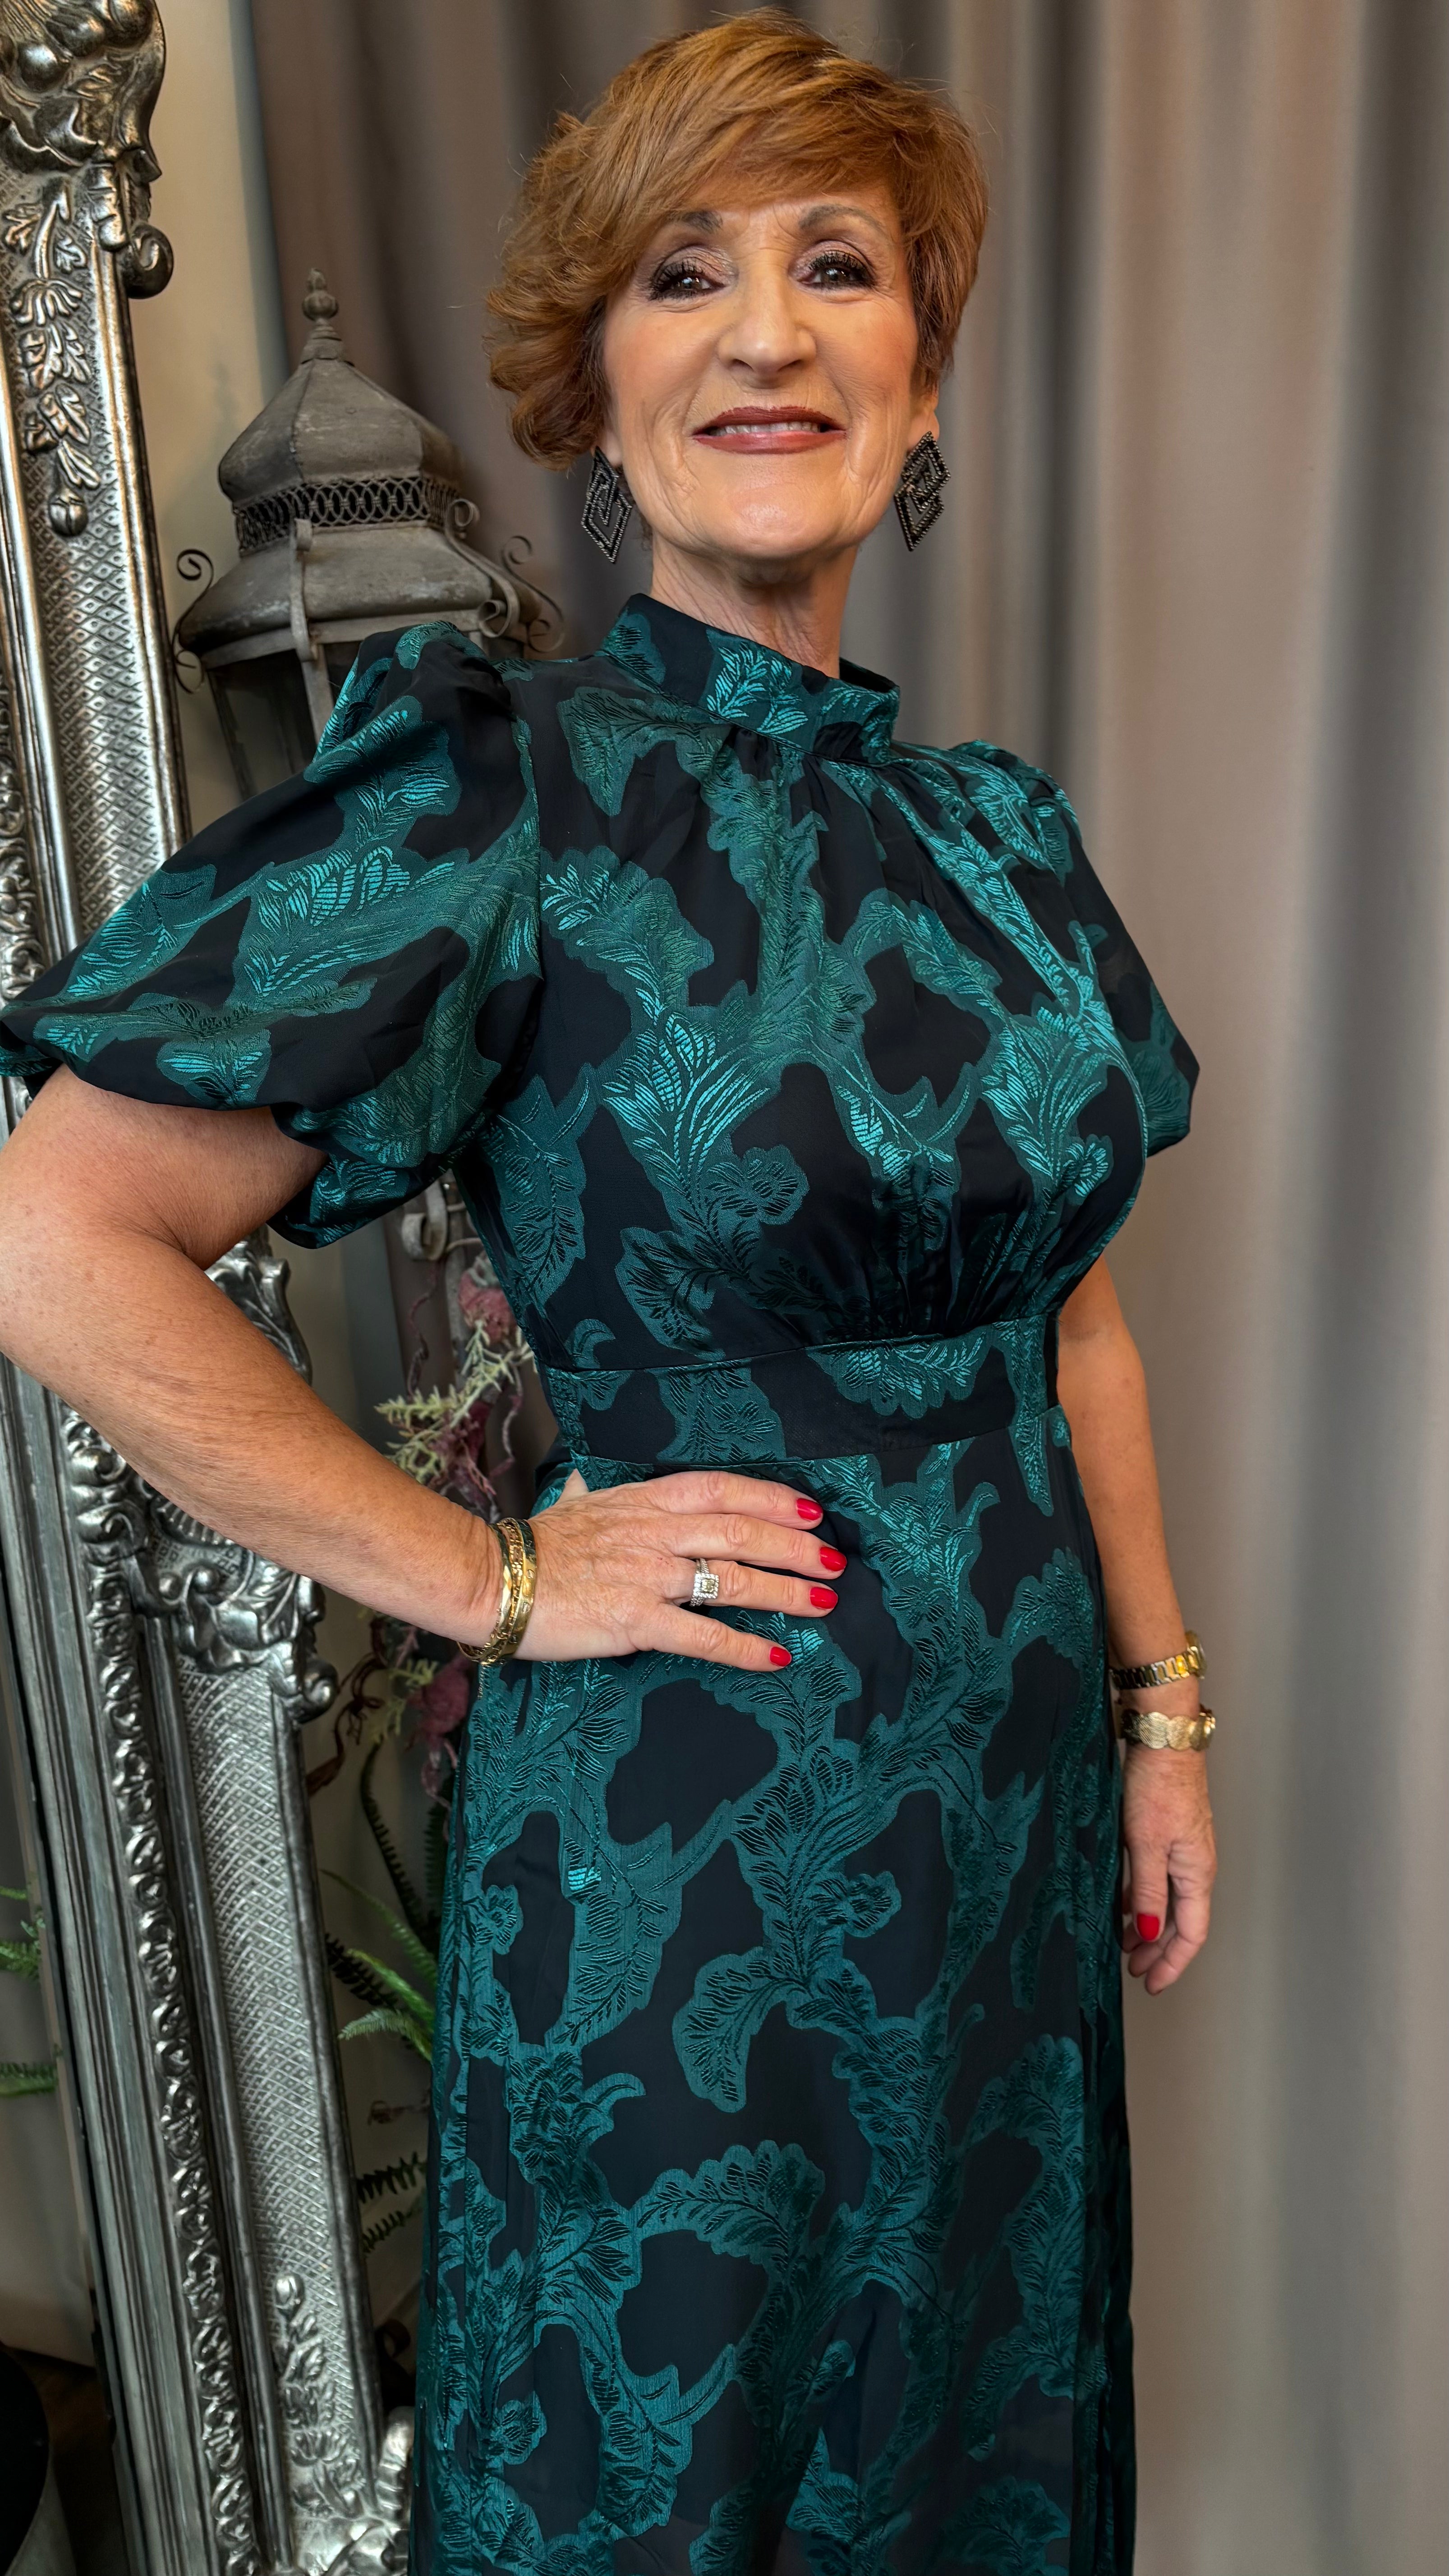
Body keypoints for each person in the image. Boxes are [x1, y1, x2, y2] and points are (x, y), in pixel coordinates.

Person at [0, 15, 1216, 2571]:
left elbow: (1074, 1308)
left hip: (1001, 1851)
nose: (768, 330)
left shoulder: (1003, 843)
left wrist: (1160, 1707)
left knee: (972, 2450)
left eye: (837, 268)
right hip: (692, 1862)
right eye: (686, 275)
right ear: (599, 389)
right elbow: (55, 1232)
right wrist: (497, 1578)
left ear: (919, 380)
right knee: (680, 2477)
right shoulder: (504, 789)